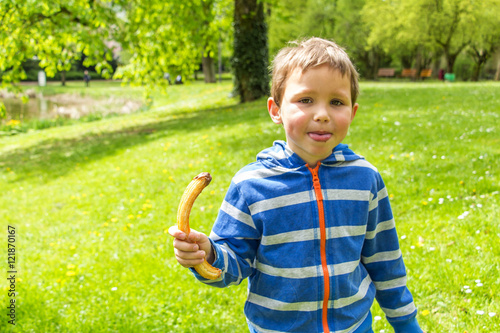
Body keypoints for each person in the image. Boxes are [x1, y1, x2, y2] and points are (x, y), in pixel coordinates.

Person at [169, 37, 423, 333]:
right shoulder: (251, 186)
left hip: (353, 327)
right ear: (276, 109)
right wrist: (209, 254)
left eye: (336, 102)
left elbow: (385, 261)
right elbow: (235, 262)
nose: (322, 114)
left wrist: (406, 324)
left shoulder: (365, 180)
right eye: (306, 100)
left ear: (352, 113)